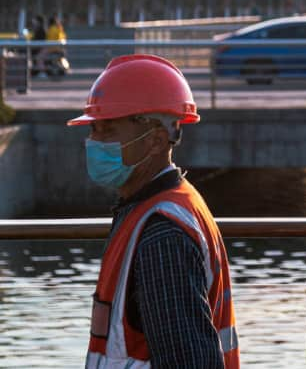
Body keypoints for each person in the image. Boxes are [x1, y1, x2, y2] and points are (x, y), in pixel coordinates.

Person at [67, 54, 239, 368]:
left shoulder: (163, 234)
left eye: (108, 130)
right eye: (94, 129)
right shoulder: (162, 207)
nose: (94, 142)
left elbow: (188, 361)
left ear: (157, 140)